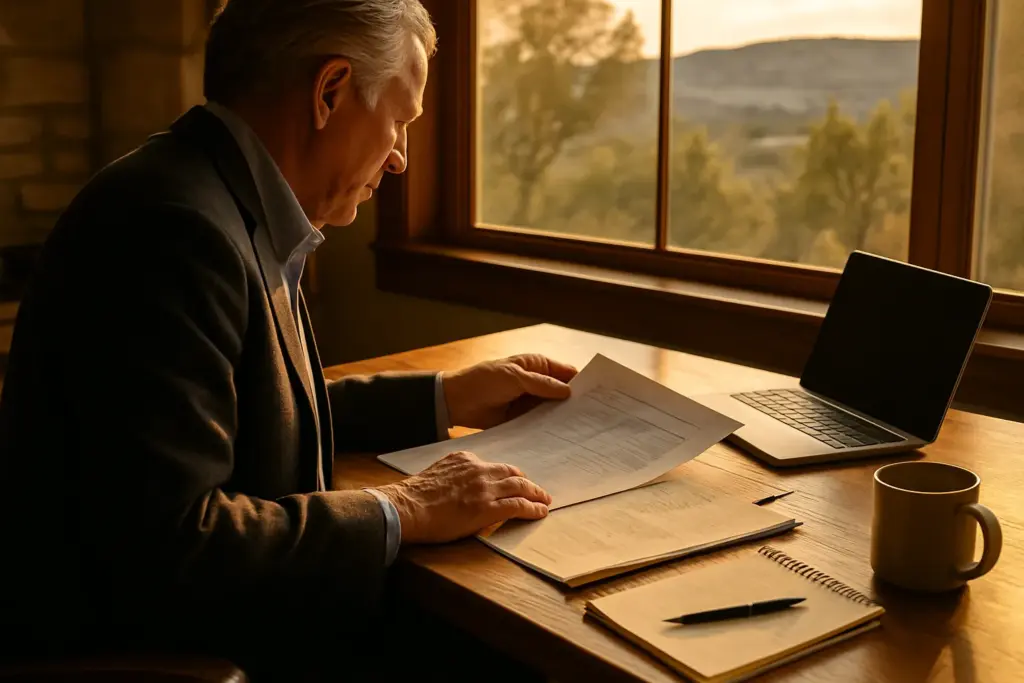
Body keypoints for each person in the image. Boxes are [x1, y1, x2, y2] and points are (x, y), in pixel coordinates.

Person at [0, 0, 574, 676]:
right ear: (329, 91)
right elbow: (173, 545)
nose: (400, 158)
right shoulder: (174, 230)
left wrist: (446, 397)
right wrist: (404, 505)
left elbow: (254, 409)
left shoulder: (215, 194)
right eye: (399, 121)